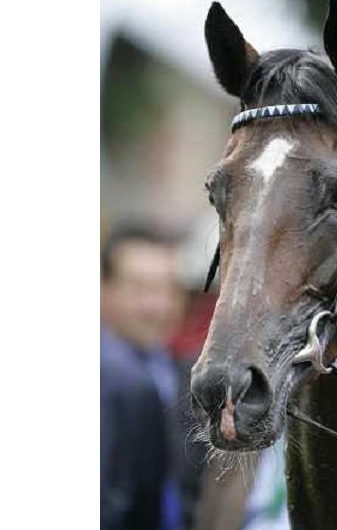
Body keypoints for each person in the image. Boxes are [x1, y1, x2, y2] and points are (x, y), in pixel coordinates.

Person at [100, 224, 186, 530]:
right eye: (139, 288)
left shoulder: (183, 373)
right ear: (103, 288)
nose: (157, 306)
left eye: (168, 288)